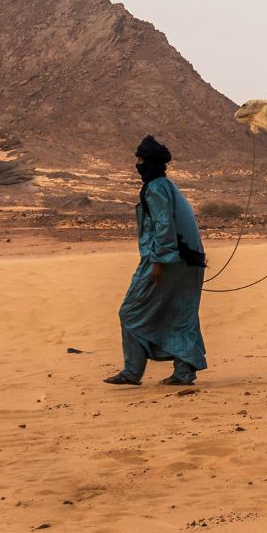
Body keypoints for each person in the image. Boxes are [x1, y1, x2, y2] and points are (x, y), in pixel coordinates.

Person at [104, 135, 207, 387]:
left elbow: (164, 225)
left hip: (167, 260)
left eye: (140, 159)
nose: (137, 164)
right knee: (181, 311)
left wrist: (159, 261)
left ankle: (132, 371)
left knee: (130, 311)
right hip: (187, 259)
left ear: (149, 162)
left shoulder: (156, 188)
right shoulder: (167, 185)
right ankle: (183, 373)